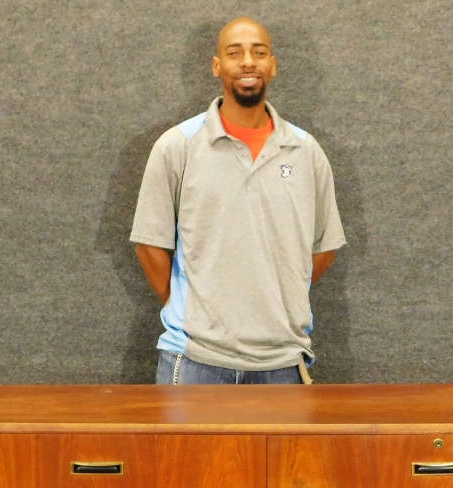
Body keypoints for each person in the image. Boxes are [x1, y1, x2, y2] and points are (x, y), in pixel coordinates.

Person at [130, 17, 345, 385]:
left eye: (258, 52)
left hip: (281, 362)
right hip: (194, 360)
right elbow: (150, 245)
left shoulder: (306, 151)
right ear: (217, 66)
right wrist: (192, 311)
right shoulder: (178, 145)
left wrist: (278, 291)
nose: (248, 62)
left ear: (273, 65)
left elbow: (324, 247)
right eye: (235, 53)